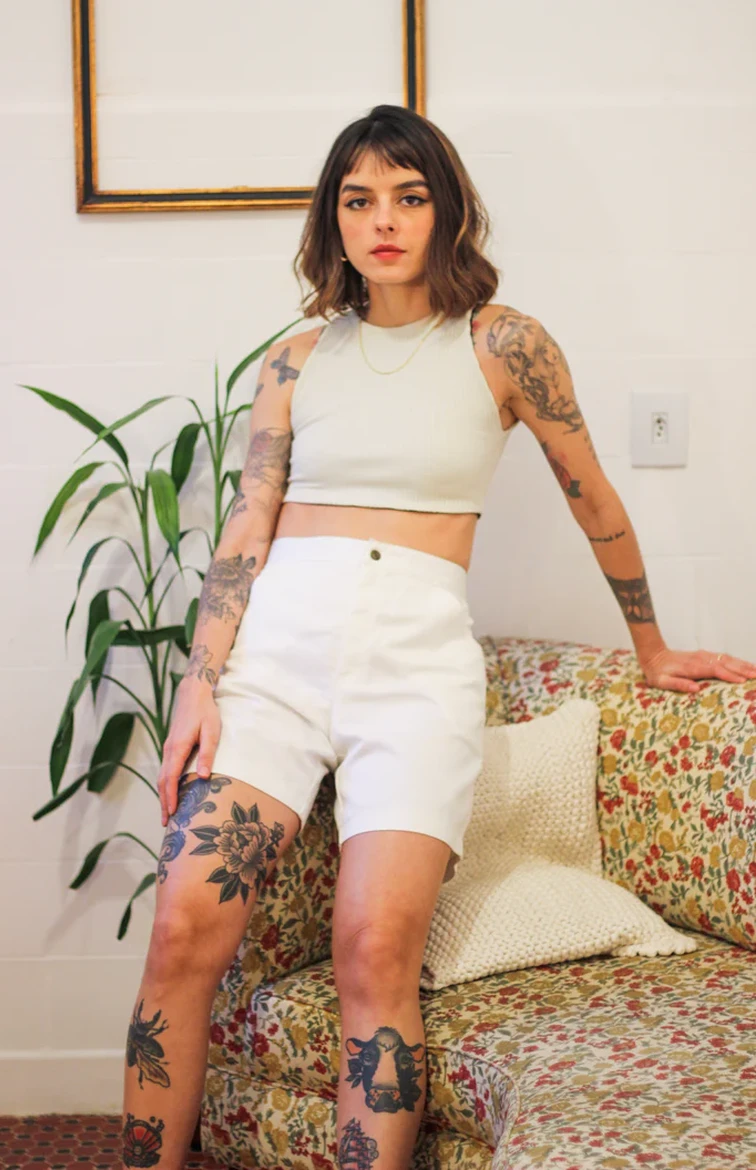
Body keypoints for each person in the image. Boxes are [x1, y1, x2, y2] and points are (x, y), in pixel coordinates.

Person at [119, 104, 756, 1170]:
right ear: (332, 219)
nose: (383, 220)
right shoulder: (295, 359)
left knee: (375, 953)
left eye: (408, 197)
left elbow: (591, 495)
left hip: (414, 675)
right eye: (358, 199)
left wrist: (651, 646)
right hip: (277, 663)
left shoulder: (503, 343)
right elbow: (246, 527)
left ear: (447, 210)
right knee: (182, 928)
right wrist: (200, 685)